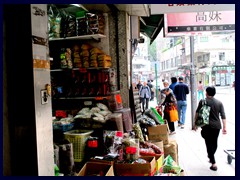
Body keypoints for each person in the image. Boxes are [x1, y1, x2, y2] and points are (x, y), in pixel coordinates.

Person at [194, 86, 227, 171]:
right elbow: (223, 116)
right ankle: (211, 156)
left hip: (206, 126)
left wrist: (195, 124)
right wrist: (224, 127)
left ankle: (213, 163)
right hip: (217, 126)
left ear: (206, 93)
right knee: (214, 143)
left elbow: (197, 113)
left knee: (208, 143)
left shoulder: (203, 101)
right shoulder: (219, 103)